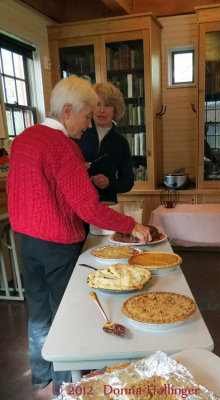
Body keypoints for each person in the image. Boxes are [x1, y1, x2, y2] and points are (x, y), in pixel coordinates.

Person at [6, 76, 151, 398]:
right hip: (58, 244)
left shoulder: (24, 138)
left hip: (27, 241)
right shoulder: (63, 146)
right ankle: (63, 387)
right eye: (87, 116)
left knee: (40, 311)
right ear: (68, 110)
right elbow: (89, 208)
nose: (88, 125)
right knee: (66, 316)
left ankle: (42, 374)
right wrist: (131, 225)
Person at [74, 81, 134, 204]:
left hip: (107, 205)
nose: (101, 110)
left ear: (115, 110)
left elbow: (128, 182)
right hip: (78, 205)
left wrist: (109, 183)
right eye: (97, 104)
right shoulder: (77, 133)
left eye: (107, 105)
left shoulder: (121, 143)